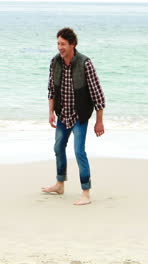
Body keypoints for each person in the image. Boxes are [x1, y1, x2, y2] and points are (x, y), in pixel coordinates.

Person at [42, 27, 106, 205]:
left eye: (63, 44)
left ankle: (85, 193)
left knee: (79, 151)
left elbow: (98, 95)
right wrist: (51, 113)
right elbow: (51, 90)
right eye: (58, 44)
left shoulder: (85, 63)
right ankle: (60, 184)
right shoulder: (55, 62)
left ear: (72, 45)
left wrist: (99, 122)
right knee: (58, 148)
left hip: (79, 115)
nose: (59, 47)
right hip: (63, 114)